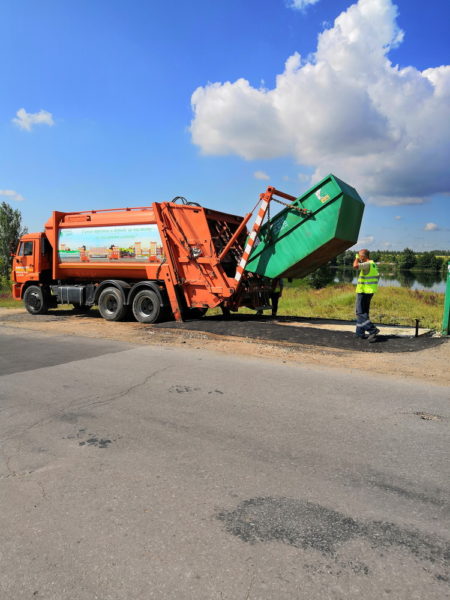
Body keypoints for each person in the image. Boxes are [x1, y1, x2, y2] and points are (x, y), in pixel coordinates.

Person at [353, 249, 380, 342]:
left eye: (359, 255)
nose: (359, 257)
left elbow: (355, 266)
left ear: (363, 256)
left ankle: (373, 330)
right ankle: (359, 333)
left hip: (363, 291)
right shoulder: (373, 264)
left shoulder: (367, 264)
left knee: (359, 313)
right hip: (369, 291)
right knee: (364, 313)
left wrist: (356, 258)